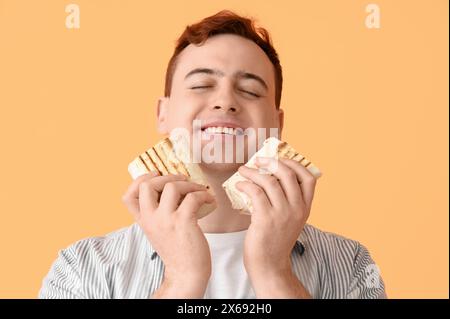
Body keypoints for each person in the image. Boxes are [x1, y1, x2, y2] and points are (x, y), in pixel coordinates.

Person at [39, 10, 386, 299]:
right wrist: (181, 279)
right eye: (202, 85)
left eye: (249, 89)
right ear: (163, 113)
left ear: (277, 124)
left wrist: (274, 273)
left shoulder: (351, 264)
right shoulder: (81, 269)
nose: (225, 101)